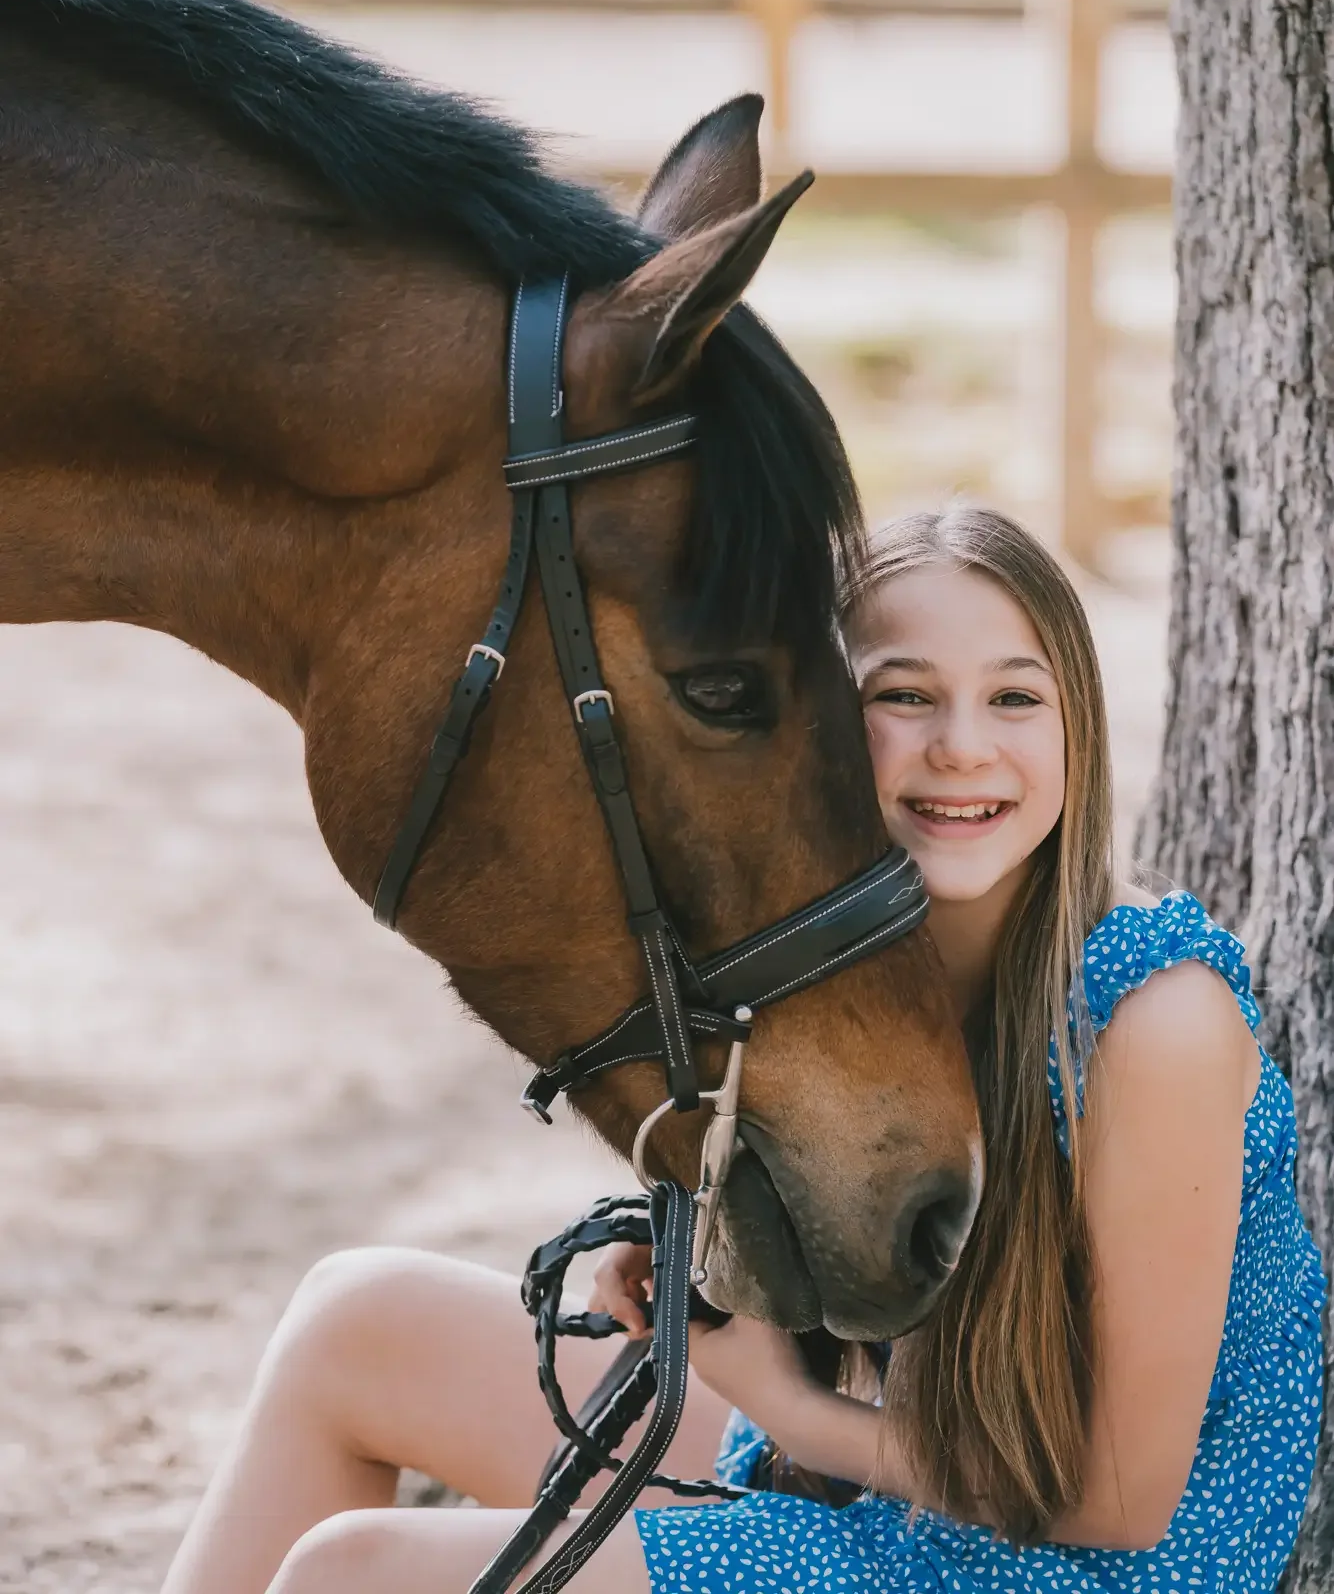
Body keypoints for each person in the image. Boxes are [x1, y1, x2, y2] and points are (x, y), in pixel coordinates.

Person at [163, 505, 1325, 1594]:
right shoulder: (824, 967)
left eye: (1014, 697)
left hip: (1059, 1564)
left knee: (357, 1572)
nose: (960, 746)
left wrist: (791, 1407)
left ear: (1075, 723)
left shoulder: (1148, 1014)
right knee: (355, 1317)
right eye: (902, 694)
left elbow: (1122, 1499)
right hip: (869, 1474)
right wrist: (707, 1276)